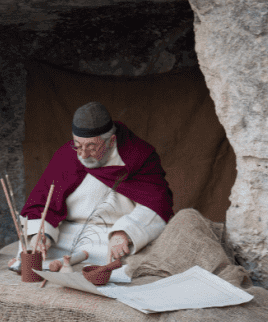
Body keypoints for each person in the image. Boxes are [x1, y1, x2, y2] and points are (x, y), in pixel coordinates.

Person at [16, 101, 174, 267]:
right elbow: (42, 203)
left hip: (115, 236)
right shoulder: (66, 156)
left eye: (91, 147)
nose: (83, 155)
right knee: (35, 251)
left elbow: (157, 204)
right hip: (68, 235)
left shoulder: (138, 156)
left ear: (111, 141)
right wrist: (41, 234)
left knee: (139, 259)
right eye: (77, 146)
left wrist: (124, 233)